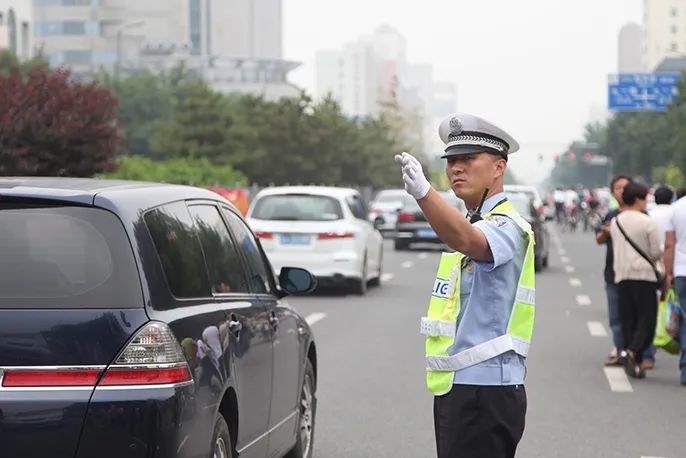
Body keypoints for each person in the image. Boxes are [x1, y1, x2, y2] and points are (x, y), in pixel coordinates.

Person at [395, 112, 534, 458]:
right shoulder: (480, 220)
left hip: (486, 391)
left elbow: (467, 239)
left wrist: (424, 193)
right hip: (462, 386)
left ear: (499, 168)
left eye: (468, 159)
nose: (456, 168)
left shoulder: (507, 225)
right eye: (452, 161)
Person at [610, 182, 662, 379]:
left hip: (622, 275)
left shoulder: (616, 221)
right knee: (647, 320)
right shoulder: (647, 222)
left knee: (629, 320)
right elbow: (655, 252)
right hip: (644, 276)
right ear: (639, 199)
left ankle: (635, 362)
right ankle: (633, 352)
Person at [595, 175, 631, 366]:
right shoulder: (610, 215)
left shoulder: (643, 215)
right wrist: (606, 231)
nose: (622, 191)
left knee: (637, 315)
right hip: (613, 272)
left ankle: (640, 352)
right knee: (616, 317)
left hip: (636, 273)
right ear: (612, 192)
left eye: (626, 187)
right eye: (618, 188)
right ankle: (620, 349)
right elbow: (598, 239)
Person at [641, 185, 676, 369]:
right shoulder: (675, 213)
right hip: (675, 266)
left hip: (654, 266)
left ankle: (649, 350)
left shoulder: (649, 215)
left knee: (651, 309)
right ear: (672, 198)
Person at [664, 194, 686, 385]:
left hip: (681, 271)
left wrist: (668, 273)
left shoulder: (676, 208)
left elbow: (669, 245)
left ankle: (685, 368)